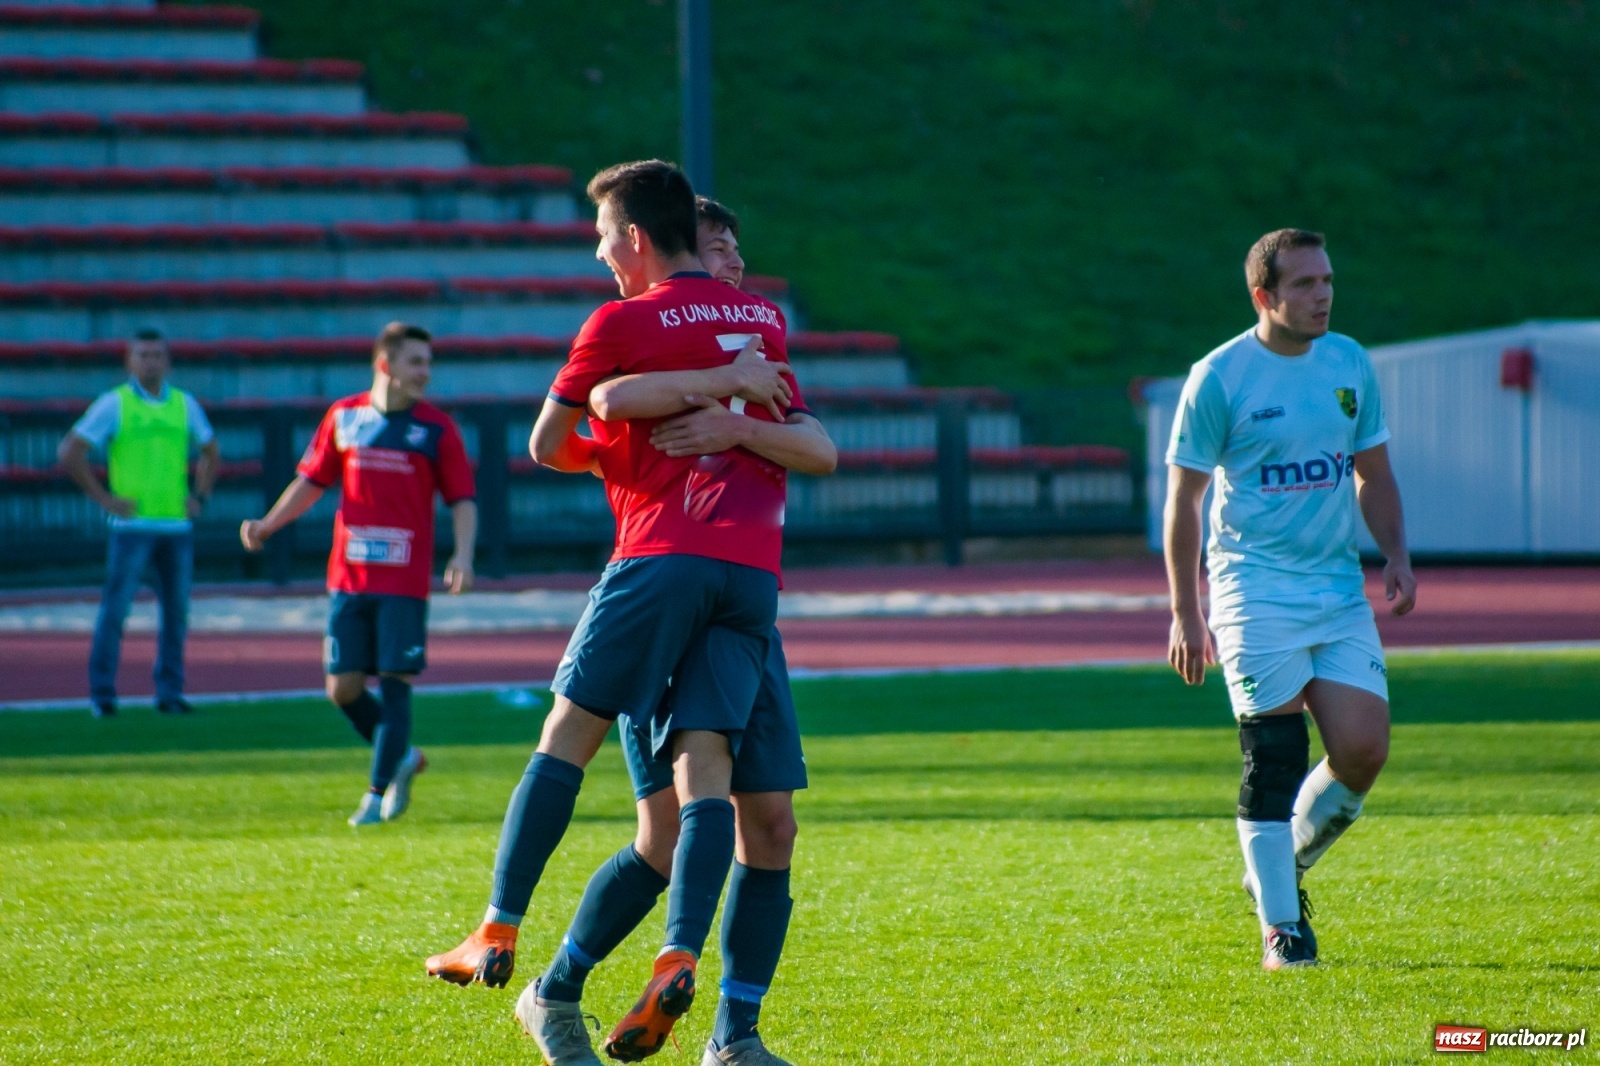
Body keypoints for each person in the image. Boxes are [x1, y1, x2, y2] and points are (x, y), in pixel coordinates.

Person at [425, 162, 830, 1065]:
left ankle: (720, 1026)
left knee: (763, 820)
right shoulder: (738, 332)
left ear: (638, 239)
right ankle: (564, 983)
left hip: (717, 581)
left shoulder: (736, 325)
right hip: (697, 570)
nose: (731, 268)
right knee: (677, 816)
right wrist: (694, 406)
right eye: (718, 245)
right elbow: (610, 406)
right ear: (691, 241)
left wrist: (733, 426)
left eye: (738, 252)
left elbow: (816, 446)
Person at [1163, 228, 1416, 971]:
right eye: (1305, 284)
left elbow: (1372, 471)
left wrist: (1396, 553)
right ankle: (1282, 930)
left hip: (1336, 590)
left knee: (1363, 749)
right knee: (1274, 757)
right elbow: (1184, 499)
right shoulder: (1219, 377)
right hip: (1252, 592)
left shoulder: (1349, 363)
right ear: (1262, 295)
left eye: (1328, 280)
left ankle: (1275, 868)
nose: (1324, 295)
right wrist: (1186, 610)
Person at [239, 322, 477, 826]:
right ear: (386, 365)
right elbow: (311, 481)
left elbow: (462, 500)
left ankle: (375, 795)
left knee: (395, 684)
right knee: (342, 689)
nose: (425, 373)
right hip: (348, 579)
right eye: (416, 363)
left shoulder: (437, 429)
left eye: (429, 364)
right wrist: (269, 523)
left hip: (404, 583)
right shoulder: (344, 417)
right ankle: (405, 758)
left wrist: (463, 555)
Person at [59, 328, 220, 718]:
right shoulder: (115, 404)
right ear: (130, 361)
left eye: (156, 355)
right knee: (115, 612)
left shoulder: (184, 404)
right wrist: (105, 498)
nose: (150, 362)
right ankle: (102, 694)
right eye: (143, 355)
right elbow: (71, 451)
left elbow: (211, 451)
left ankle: (169, 692)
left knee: (176, 615)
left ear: (168, 362)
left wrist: (199, 496)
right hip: (131, 529)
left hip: (175, 527)